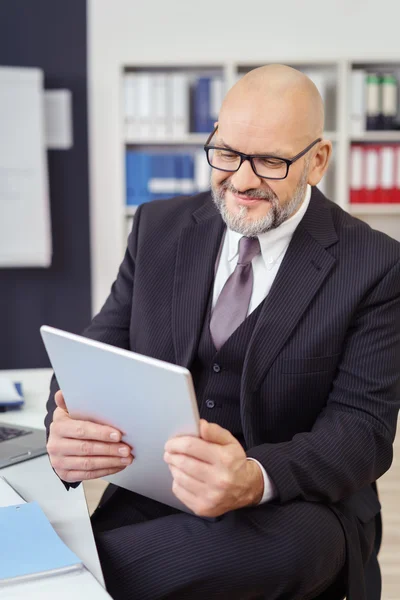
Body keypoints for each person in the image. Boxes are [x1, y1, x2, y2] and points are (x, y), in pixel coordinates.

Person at [45, 64, 400, 600]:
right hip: (156, 487)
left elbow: (362, 432)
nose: (242, 179)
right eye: (228, 152)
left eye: (272, 161)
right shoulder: (157, 227)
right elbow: (95, 353)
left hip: (289, 505)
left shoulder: (375, 264)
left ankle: (58, 576)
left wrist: (253, 476)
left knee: (299, 548)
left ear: (317, 162)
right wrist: (65, 426)